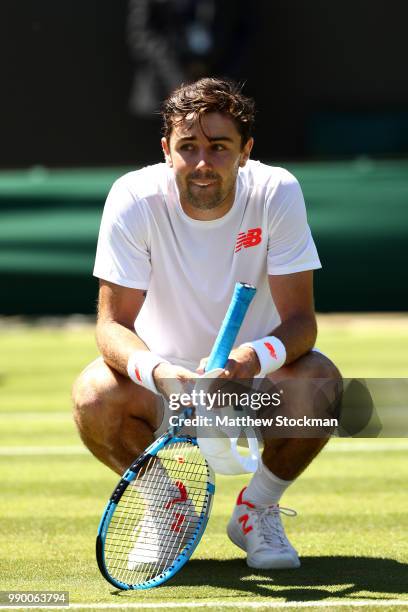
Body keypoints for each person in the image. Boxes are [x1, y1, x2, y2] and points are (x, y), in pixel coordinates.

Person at [72, 77, 341, 570]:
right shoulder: (133, 197)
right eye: (188, 147)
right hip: (163, 388)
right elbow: (111, 326)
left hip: (249, 385)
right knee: (92, 394)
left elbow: (302, 323)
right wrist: (160, 374)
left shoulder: (276, 191)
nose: (202, 163)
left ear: (245, 151)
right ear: (165, 150)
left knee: (321, 383)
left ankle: (256, 508)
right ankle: (166, 506)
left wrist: (248, 359)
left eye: (219, 147)